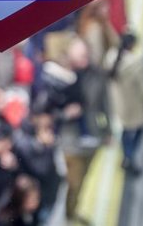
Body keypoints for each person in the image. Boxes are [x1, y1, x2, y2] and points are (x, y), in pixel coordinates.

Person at [41, 37, 110, 224]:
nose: (84, 59)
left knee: (83, 180)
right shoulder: (58, 79)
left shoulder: (96, 74)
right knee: (73, 181)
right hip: (70, 140)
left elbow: (104, 103)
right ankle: (66, 215)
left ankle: (72, 210)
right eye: (80, 55)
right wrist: (65, 114)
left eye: (85, 55)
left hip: (93, 136)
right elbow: (45, 113)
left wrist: (107, 130)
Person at [106, 32, 143, 175]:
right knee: (141, 127)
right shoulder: (136, 63)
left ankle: (127, 156)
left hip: (120, 104)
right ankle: (129, 156)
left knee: (125, 130)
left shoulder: (110, 57)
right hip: (136, 105)